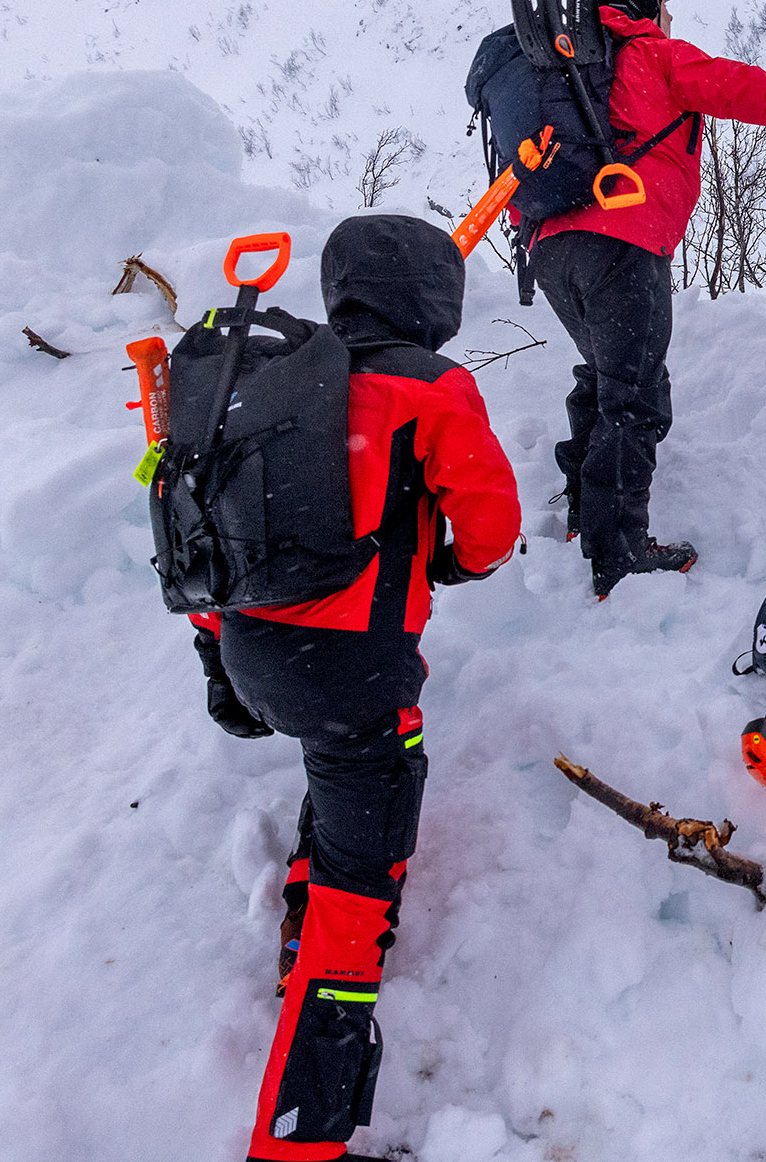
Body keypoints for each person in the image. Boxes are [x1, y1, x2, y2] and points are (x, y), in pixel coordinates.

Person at [188, 213, 524, 1162]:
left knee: (337, 768)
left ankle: (304, 914)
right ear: (433, 298)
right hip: (352, 673)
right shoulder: (429, 385)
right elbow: (491, 528)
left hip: (248, 650)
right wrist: (452, 562)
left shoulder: (273, 378)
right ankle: (299, 1135)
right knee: (363, 865)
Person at [528, 0, 766, 599]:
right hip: (623, 241)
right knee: (634, 394)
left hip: (554, 247)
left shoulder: (567, 71)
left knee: (606, 374)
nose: (668, 15)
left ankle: (586, 513)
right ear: (638, 1)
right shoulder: (652, 55)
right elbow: (740, 85)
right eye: (663, 0)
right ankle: (619, 553)